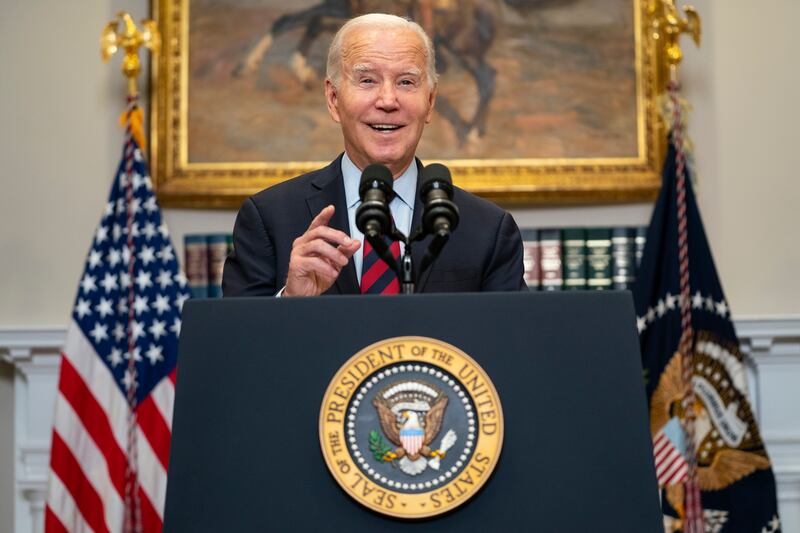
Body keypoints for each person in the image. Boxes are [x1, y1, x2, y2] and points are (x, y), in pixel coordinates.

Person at [222, 13, 525, 297]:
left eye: (406, 81)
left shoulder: (488, 230)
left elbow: (512, 343)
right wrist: (290, 299)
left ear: (430, 102)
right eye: (367, 80)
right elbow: (232, 348)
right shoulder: (269, 219)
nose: (388, 100)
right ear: (333, 99)